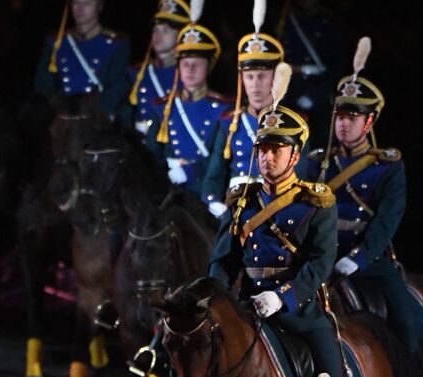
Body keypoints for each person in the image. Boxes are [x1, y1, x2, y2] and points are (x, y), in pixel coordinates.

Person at [208, 68, 349, 377]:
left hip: (298, 310)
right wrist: (218, 300)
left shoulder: (316, 203)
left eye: (276, 149)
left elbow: (320, 264)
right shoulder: (242, 202)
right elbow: (222, 261)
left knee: (330, 370)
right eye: (262, 149)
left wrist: (282, 297)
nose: (267, 157)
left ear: (295, 155)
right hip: (246, 306)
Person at [307, 37, 423, 377]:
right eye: (340, 116)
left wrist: (357, 258)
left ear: (370, 122)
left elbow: (385, 224)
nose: (344, 124)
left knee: (406, 323)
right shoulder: (317, 164)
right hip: (322, 259)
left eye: (353, 117)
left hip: (369, 262)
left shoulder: (387, 167)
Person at [200, 2, 293, 216]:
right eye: (249, 77)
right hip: (233, 209)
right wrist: (214, 203)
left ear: (275, 78)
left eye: (262, 76)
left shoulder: (293, 126)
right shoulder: (229, 122)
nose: (255, 84)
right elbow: (213, 176)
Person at [145, 3, 231, 197]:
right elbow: (152, 154)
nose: (190, 70)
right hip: (167, 189)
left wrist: (190, 171)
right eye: (185, 64)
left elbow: (221, 160)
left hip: (206, 192)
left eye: (197, 64)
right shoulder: (162, 107)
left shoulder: (225, 109)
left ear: (208, 67)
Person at [34, 0, 130, 119]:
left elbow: (117, 89)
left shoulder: (115, 44)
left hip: (96, 120)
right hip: (62, 119)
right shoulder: (56, 42)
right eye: (76, 3)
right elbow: (43, 85)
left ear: (99, 7)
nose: (80, 8)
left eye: (87, 3)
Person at [273, 0, 349, 149]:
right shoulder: (284, 19)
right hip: (289, 94)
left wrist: (316, 95)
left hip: (317, 94)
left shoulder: (329, 23)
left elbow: (336, 67)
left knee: (321, 145)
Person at [126, 0, 190, 136]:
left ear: (180, 35)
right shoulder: (135, 73)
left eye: (166, 31)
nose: (157, 35)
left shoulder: (188, 76)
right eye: (156, 30)